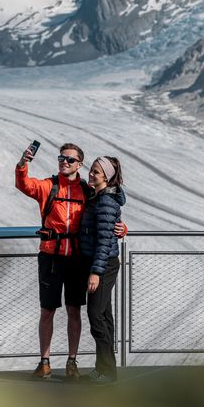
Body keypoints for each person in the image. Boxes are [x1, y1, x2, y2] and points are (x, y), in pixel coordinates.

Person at [15, 143, 124, 380]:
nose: (65, 162)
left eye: (71, 160)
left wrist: (121, 228)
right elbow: (23, 184)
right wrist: (24, 163)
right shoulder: (48, 186)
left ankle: (71, 362)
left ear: (79, 164)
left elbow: (110, 209)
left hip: (77, 259)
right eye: (61, 158)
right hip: (51, 256)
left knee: (75, 310)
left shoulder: (87, 191)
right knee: (47, 310)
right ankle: (44, 362)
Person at [79, 156, 125, 384]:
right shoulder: (98, 197)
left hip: (103, 266)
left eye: (96, 172)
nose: (91, 174)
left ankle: (107, 371)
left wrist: (95, 272)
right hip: (102, 263)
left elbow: (105, 240)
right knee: (104, 316)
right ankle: (105, 370)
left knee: (96, 315)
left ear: (106, 176)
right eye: (92, 170)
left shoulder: (105, 202)